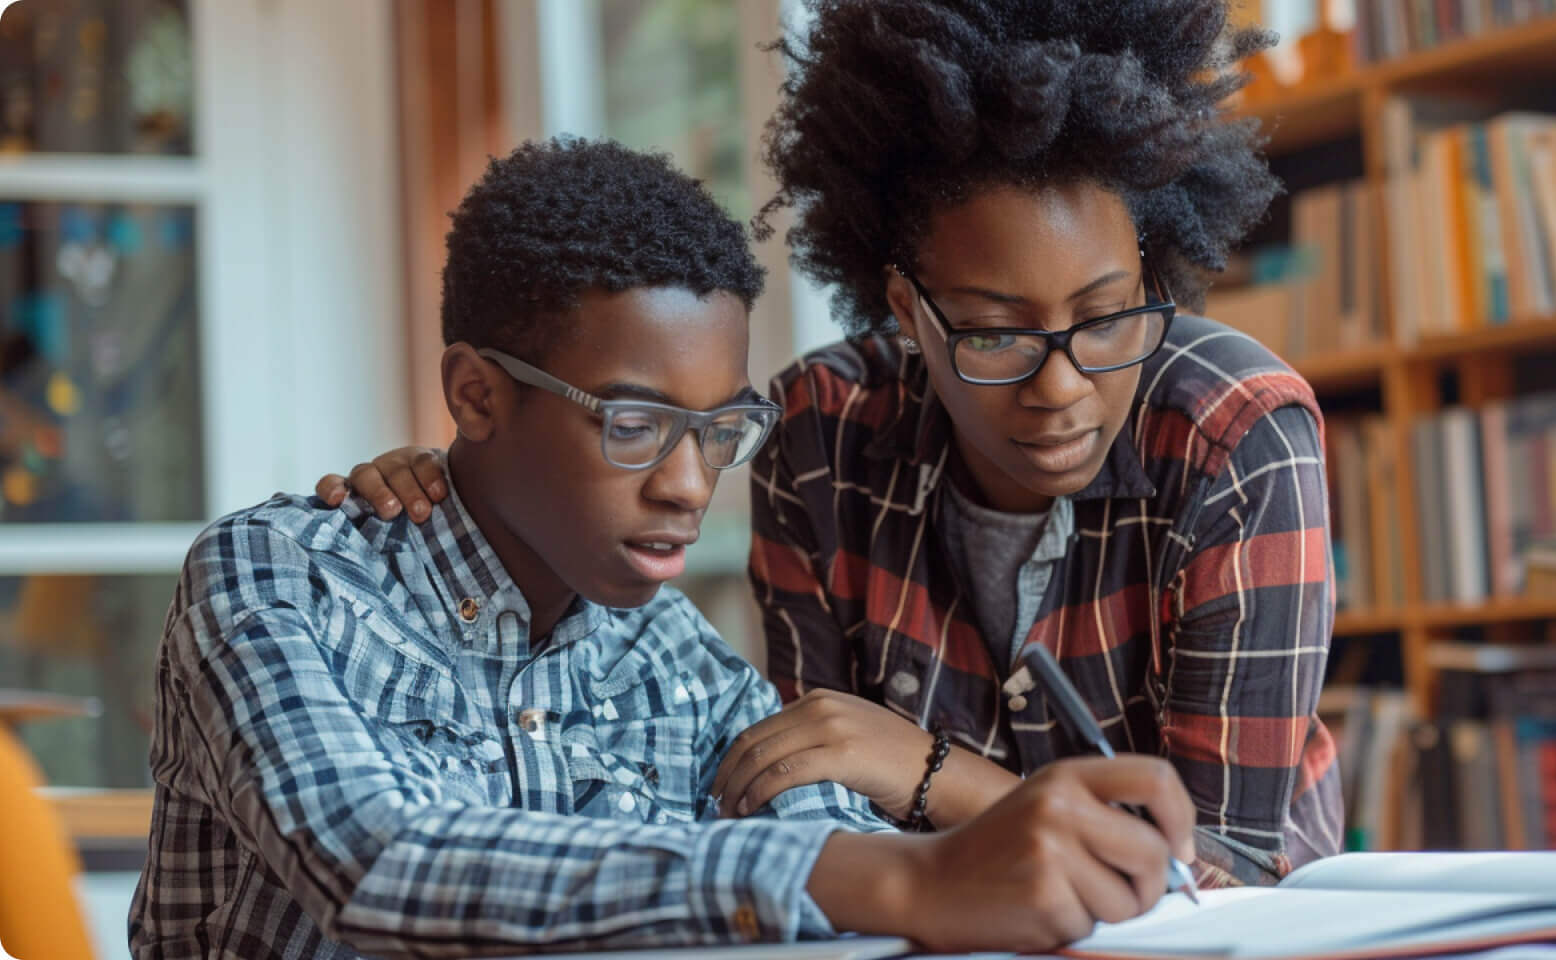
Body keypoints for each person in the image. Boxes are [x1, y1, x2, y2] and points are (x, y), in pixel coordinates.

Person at [321, 0, 1342, 888]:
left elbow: (1224, 867)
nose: (1064, 385)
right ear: (906, 308)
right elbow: (809, 789)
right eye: (994, 332)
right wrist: (457, 490)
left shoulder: (1236, 435)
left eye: (1109, 316)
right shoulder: (824, 432)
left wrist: (928, 768)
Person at [136, 138, 1196, 960]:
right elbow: (371, 862)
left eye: (721, 431)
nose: (691, 486)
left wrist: (950, 864)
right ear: (475, 395)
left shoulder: (670, 653)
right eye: (634, 426)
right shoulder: (282, 577)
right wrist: (899, 881)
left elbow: (827, 837)